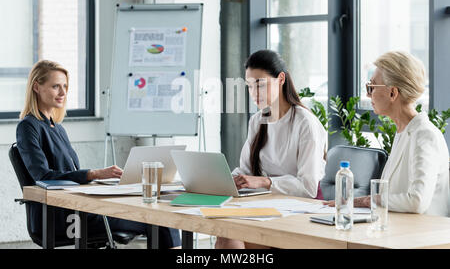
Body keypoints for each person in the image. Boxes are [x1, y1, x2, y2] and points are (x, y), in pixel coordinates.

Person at [16, 60, 181, 248]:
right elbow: (42, 176)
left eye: (65, 86)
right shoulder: (28, 127)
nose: (63, 93)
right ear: (36, 87)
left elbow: (69, 175)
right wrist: (92, 174)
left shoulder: (57, 128)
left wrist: (104, 180)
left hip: (80, 207)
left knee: (160, 215)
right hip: (63, 216)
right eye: (55, 86)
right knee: (157, 219)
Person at [215, 50, 327, 249]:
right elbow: (246, 170)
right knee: (226, 234)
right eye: (249, 87)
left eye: (260, 84)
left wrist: (265, 182)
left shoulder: (305, 123)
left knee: (230, 236)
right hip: (268, 207)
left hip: (302, 212)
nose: (254, 93)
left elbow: (308, 187)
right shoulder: (258, 120)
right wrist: (226, 180)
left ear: (281, 79)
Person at [325, 51, 449, 217]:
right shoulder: (403, 132)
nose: (368, 94)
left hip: (421, 237)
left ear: (393, 93)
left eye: (372, 87)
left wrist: (364, 201)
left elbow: (417, 200)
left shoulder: (425, 135)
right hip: (397, 230)